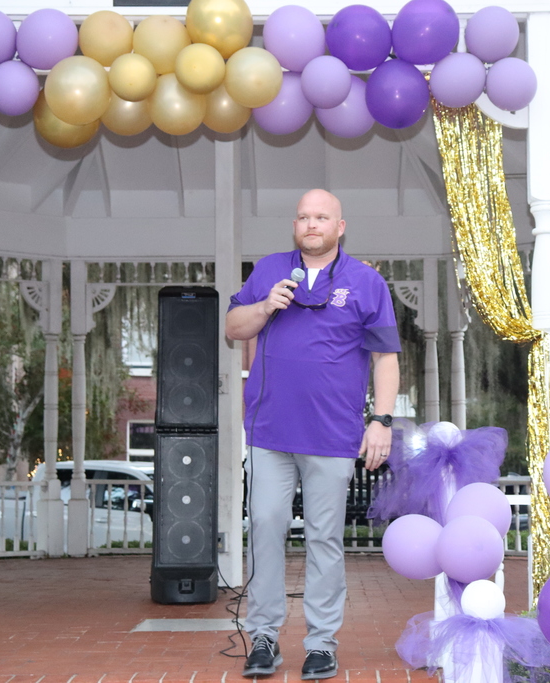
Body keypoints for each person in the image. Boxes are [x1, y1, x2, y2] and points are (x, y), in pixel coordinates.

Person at [225, 189, 401, 680]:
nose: (311, 224)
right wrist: (264, 306)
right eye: (303, 217)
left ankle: (321, 643)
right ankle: (263, 636)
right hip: (268, 431)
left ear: (340, 226)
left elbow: (386, 359)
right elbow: (233, 327)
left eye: (321, 217)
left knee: (324, 538)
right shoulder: (269, 270)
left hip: (332, 434)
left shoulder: (366, 282)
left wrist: (381, 421)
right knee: (264, 527)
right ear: (295, 225)